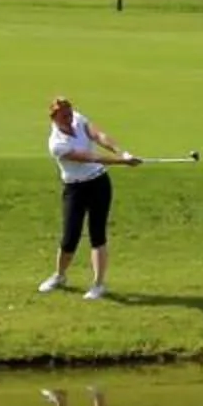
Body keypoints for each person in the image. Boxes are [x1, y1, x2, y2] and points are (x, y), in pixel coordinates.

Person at [41, 96, 139, 300]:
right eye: (64, 115)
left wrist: (122, 152)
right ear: (54, 118)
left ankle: (98, 284)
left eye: (69, 113)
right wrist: (121, 162)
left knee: (97, 234)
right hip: (74, 189)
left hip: (99, 183)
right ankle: (60, 276)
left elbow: (98, 135)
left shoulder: (77, 119)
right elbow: (89, 157)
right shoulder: (56, 144)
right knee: (70, 237)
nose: (69, 118)